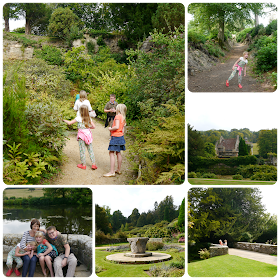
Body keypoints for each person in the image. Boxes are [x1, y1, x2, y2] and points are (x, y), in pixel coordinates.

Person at [63, 105, 98, 170]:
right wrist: (88, 128)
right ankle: (93, 164)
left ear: (80, 111)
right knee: (90, 150)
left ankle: (83, 165)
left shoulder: (78, 118)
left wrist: (64, 120)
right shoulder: (89, 118)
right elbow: (94, 126)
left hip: (81, 136)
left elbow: (70, 123)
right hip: (88, 135)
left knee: (82, 150)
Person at [104, 104, 127, 177]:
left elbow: (116, 127)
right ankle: (118, 170)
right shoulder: (123, 117)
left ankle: (111, 172)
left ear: (119, 109)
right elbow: (122, 130)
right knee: (118, 152)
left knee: (111, 153)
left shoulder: (117, 116)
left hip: (115, 137)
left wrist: (110, 129)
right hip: (121, 137)